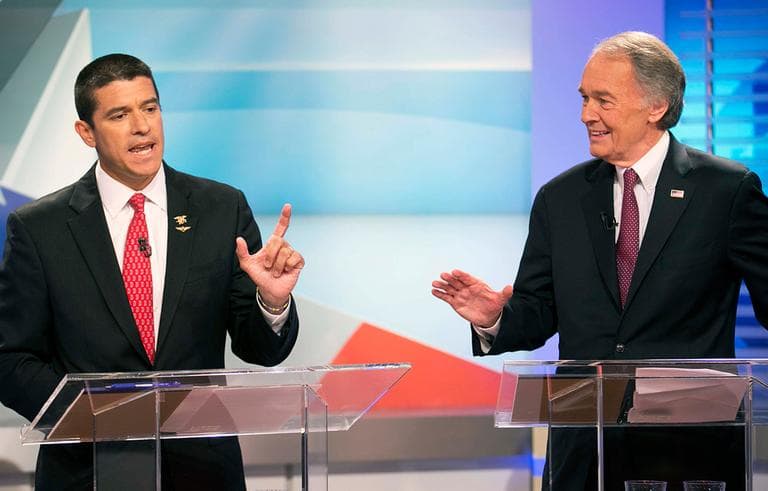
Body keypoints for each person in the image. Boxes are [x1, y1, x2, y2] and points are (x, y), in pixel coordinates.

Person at [433, 31, 768, 490]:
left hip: (689, 454)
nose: (586, 114)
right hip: (582, 453)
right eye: (584, 98)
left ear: (656, 105)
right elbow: (539, 311)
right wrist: (496, 318)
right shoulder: (561, 198)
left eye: (603, 100)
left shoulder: (726, 191)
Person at [0, 54, 304, 490]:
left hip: (202, 473)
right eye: (120, 114)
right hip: (87, 471)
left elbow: (260, 350)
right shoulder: (39, 228)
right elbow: (11, 359)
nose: (142, 127)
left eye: (150, 108)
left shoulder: (221, 209)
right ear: (86, 132)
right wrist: (99, 419)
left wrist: (272, 302)